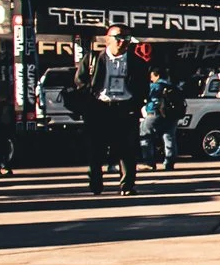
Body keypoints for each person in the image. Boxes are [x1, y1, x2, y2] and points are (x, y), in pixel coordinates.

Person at [67, 27, 148, 195]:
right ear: (107, 39)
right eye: (118, 37)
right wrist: (88, 99)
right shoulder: (93, 59)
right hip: (99, 108)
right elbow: (79, 80)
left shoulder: (137, 62)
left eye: (126, 38)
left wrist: (135, 104)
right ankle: (96, 183)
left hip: (124, 109)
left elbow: (143, 87)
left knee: (127, 150)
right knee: (96, 149)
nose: (122, 42)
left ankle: (127, 185)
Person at [146, 72, 184, 171]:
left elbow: (145, 96)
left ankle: (150, 163)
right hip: (171, 115)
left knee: (146, 136)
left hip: (155, 113)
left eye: (152, 76)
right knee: (169, 137)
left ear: (157, 75)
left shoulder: (154, 86)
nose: (151, 78)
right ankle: (169, 162)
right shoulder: (174, 87)